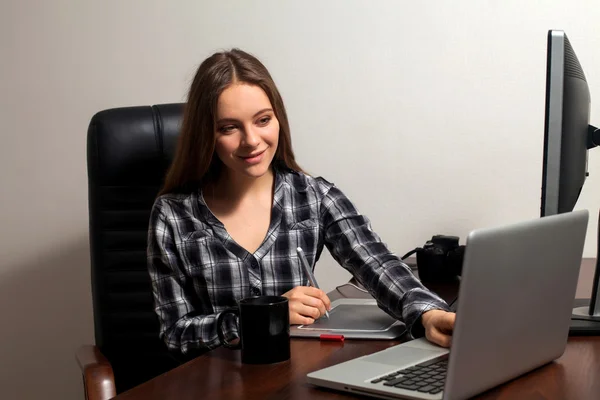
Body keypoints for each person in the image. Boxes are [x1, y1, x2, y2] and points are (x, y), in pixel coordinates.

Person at [147, 48, 455, 356]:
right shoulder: (173, 215)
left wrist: (428, 313)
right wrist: (263, 317)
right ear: (206, 134)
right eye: (229, 127)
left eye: (263, 120)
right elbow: (176, 334)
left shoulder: (313, 197)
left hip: (291, 378)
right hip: (214, 382)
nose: (251, 140)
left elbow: (377, 262)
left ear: (278, 118)